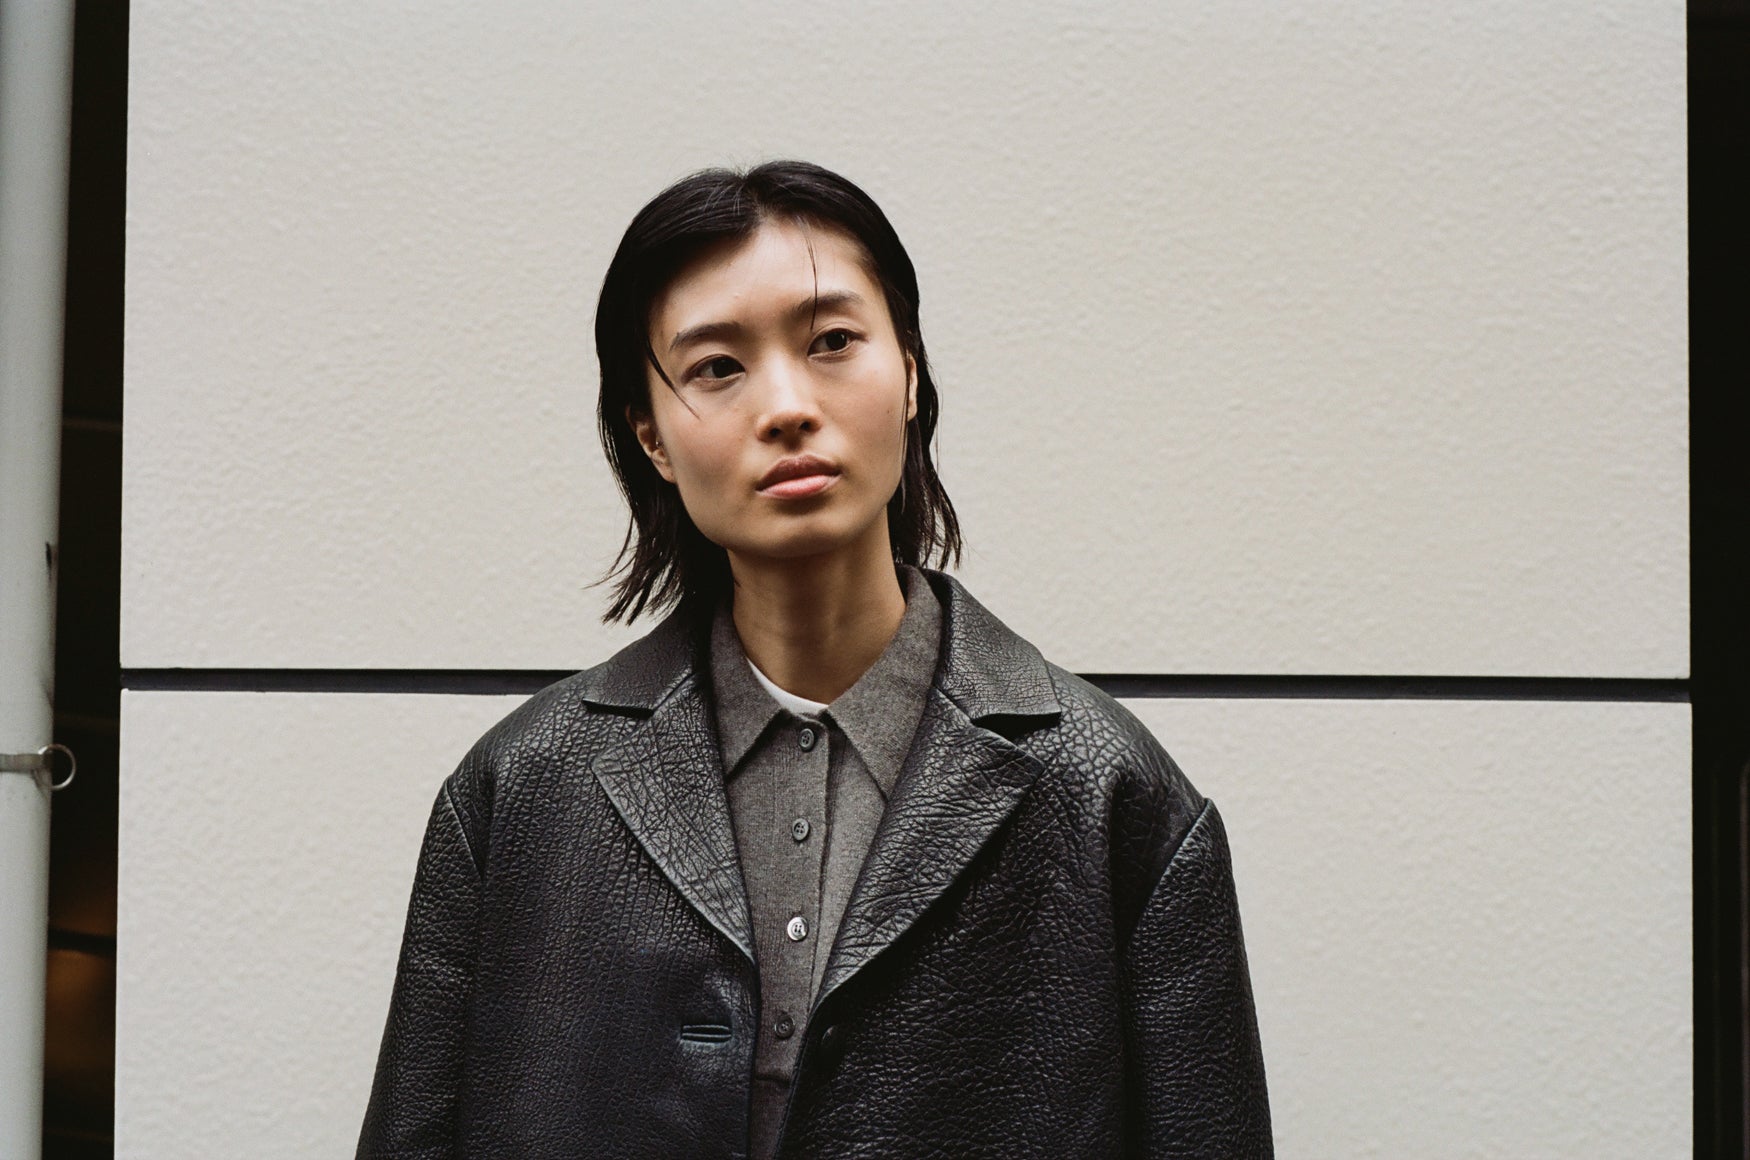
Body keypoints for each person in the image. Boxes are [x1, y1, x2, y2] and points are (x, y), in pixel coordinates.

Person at [355, 160, 1272, 1159]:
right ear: (650, 436)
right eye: (717, 367)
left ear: (910, 371)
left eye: (832, 341)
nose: (787, 405)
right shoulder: (518, 791)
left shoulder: (1113, 794)